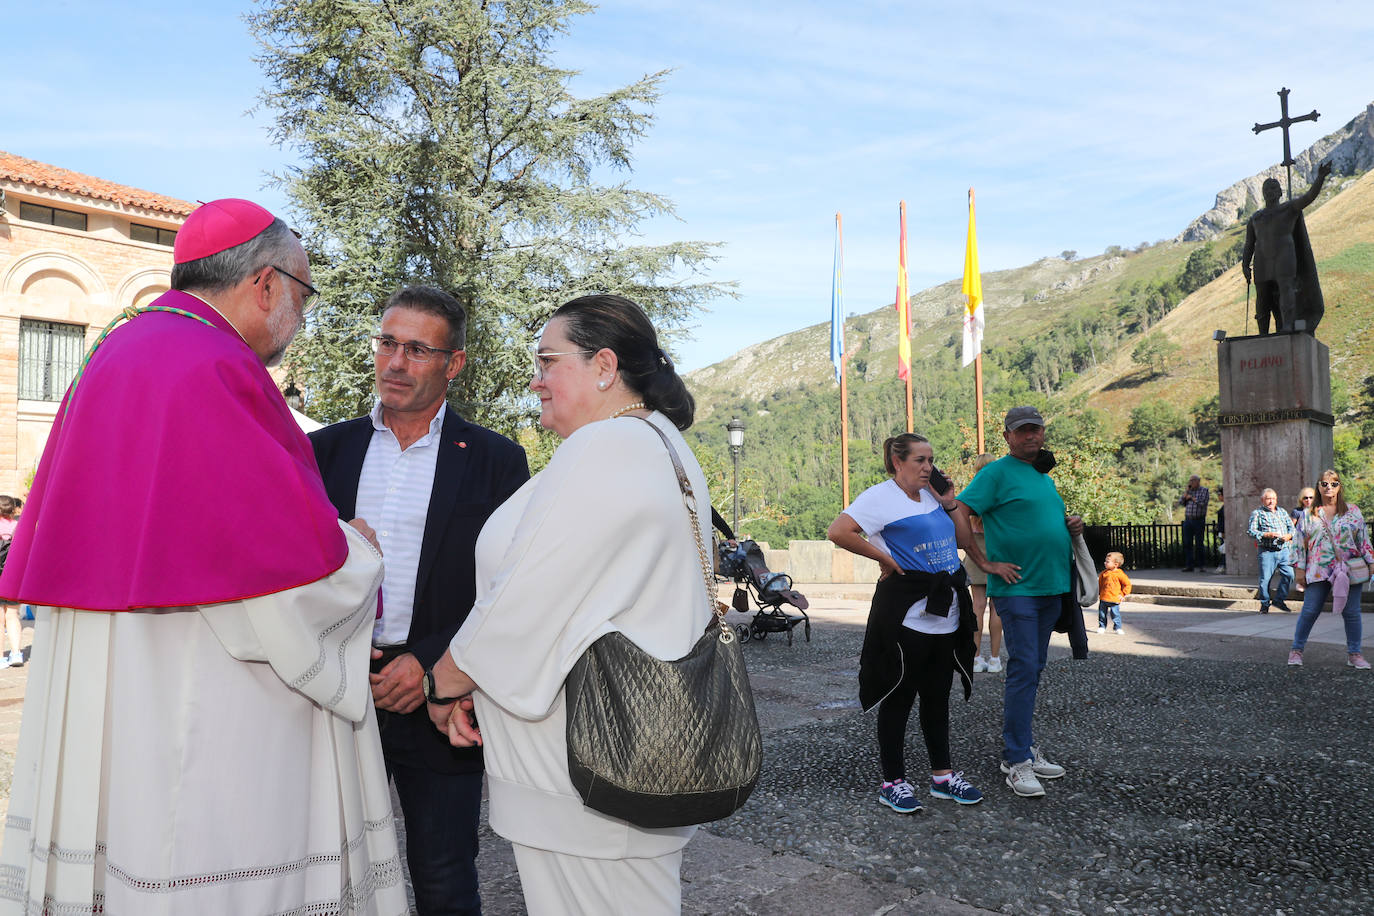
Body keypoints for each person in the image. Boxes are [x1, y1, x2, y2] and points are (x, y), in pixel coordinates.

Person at [0, 199, 406, 914]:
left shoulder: (112, 351)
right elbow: (283, 573)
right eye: (303, 294)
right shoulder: (219, 366)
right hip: (199, 689)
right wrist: (359, 553)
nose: (301, 316)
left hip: (110, 673)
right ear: (266, 284)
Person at [422, 294, 711, 914]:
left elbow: (528, 593)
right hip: (625, 753)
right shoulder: (658, 442)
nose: (536, 380)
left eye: (548, 361)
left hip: (584, 769)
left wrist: (445, 683)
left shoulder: (605, 448)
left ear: (604, 366)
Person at [311, 286, 529, 916]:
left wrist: (433, 665)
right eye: (387, 344)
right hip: (334, 689)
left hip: (439, 694)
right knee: (329, 866)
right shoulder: (325, 451)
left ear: (452, 364)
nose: (396, 363)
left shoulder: (494, 460)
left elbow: (509, 586)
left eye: (416, 349)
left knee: (443, 874)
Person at [828, 434, 1010, 815]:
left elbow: (962, 539)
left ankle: (942, 777)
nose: (929, 467)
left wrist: (949, 503)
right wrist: (885, 559)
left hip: (945, 613)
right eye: (920, 460)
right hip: (907, 614)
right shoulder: (879, 497)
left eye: (931, 460)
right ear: (898, 462)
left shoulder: (932, 495)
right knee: (898, 697)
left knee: (937, 698)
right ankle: (892, 781)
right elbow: (839, 532)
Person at [952, 406, 1083, 799]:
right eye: (1022, 431)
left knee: (1035, 666)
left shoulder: (1042, 475)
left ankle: (1024, 746)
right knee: (1024, 667)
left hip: (1051, 585)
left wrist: (1069, 524)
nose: (1030, 437)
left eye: (1036, 430)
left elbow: (1038, 520)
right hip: (1018, 589)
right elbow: (958, 510)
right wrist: (984, 562)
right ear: (1007, 436)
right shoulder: (995, 472)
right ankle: (1015, 758)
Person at [1289, 469, 1373, 669]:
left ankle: (1354, 654)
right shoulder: (1309, 514)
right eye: (1324, 483)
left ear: (1339, 487)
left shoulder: (1353, 511)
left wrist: (1371, 562)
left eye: (1333, 484)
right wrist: (1299, 570)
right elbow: (1299, 542)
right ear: (1318, 486)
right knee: (1310, 610)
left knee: (1352, 612)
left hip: (1350, 569)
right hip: (1319, 569)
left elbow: (1363, 540)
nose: (1329, 487)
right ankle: (1296, 650)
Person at [1242, 160, 1331, 335]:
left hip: (1284, 258)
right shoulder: (1255, 218)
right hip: (1262, 261)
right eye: (1266, 189)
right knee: (1262, 298)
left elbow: (1309, 197)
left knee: (1286, 291)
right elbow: (1249, 244)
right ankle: (1263, 333)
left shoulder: (1289, 209)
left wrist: (1320, 177)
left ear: (1280, 192)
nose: (1270, 191)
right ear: (1262, 194)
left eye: (1273, 188)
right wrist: (1245, 264)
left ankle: (1288, 326)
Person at [963, 454, 1002, 673]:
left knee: (977, 607)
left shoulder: (972, 495)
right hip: (998, 556)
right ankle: (995, 659)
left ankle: (976, 658)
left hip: (975, 555)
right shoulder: (1000, 495)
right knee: (997, 608)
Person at [1247, 488, 1296, 613]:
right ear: (1262, 500)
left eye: (1273, 498)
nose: (1271, 501)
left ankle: (1279, 600)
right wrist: (1266, 534)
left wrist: (1289, 536)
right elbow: (1251, 531)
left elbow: (1292, 528)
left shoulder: (1282, 512)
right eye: (1268, 498)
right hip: (1267, 551)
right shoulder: (1257, 513)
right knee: (1265, 579)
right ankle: (1264, 604)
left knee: (1289, 574)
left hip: (1284, 550)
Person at [0, 496, 22, 668]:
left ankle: (0, 658)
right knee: (13, 616)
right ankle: (16, 654)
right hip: (13, 576)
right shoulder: (19, 526)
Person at [1179, 475, 1210, 572]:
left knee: (1199, 543)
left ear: (1198, 481)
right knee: (1187, 543)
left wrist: (1191, 498)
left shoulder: (1204, 490)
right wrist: (1185, 497)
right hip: (1188, 520)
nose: (1190, 483)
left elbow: (1202, 503)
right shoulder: (1189, 491)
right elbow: (1181, 503)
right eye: (1190, 481)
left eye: (1192, 481)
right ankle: (1189, 565)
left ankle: (1201, 565)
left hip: (1199, 520)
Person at [1096, 552, 1131, 634]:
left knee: (1115, 614)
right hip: (1103, 598)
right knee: (1102, 614)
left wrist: (1123, 594)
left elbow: (1127, 584)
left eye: (1107, 561)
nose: (1105, 563)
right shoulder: (1104, 573)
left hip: (1114, 599)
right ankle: (1102, 626)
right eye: (1105, 561)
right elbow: (1100, 584)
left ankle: (1117, 627)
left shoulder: (1120, 574)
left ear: (1115, 564)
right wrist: (1098, 592)